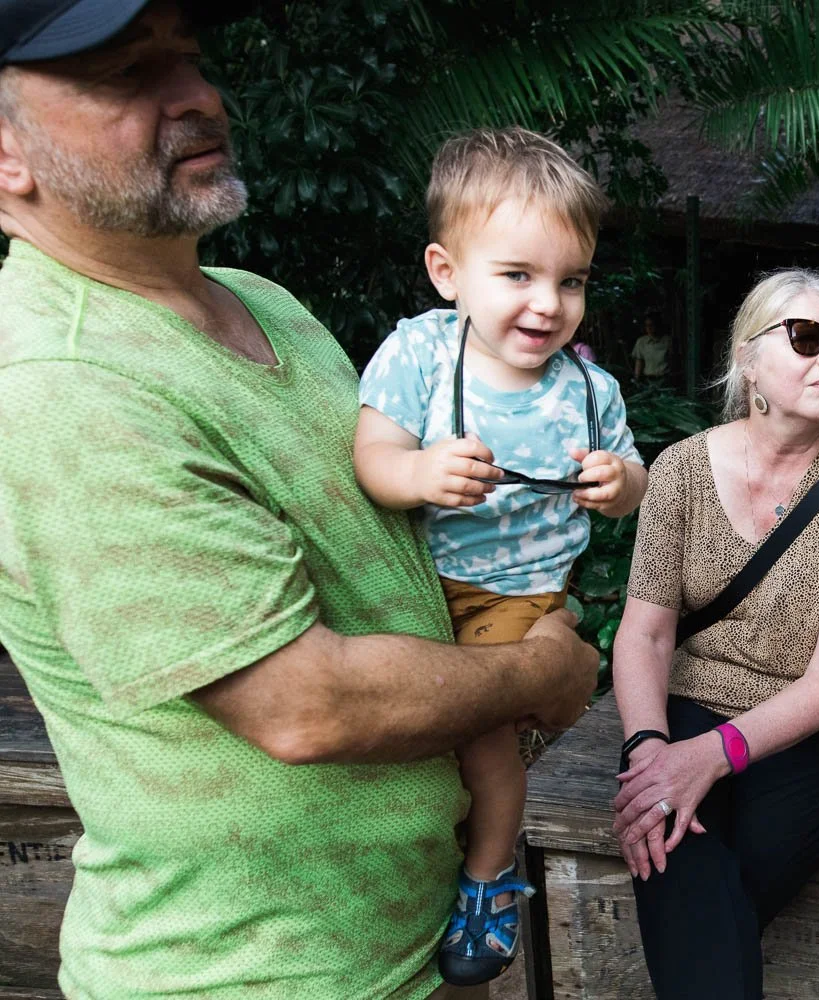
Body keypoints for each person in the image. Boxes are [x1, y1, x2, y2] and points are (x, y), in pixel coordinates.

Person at [0, 5, 598, 998]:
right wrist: (540, 671)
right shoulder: (62, 382)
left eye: (188, 56)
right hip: (246, 972)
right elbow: (304, 705)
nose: (194, 96)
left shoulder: (262, 302)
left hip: (407, 939)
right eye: (125, 74)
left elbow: (392, 562)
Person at [353, 126, 647, 987]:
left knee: (481, 743)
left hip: (516, 599)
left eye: (571, 281)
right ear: (449, 273)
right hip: (410, 582)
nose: (548, 304)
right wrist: (418, 471)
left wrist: (615, 482)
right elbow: (373, 458)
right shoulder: (420, 353)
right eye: (517, 275)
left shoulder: (591, 390)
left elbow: (639, 479)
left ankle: (488, 879)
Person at [609, 270, 819, 998]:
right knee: (673, 834)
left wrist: (711, 758)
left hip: (815, 728)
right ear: (748, 359)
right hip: (691, 701)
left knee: (738, 861)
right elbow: (644, 634)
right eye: (807, 337)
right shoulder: (679, 471)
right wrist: (651, 753)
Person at [631, 312, 670, 381]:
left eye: (651, 325)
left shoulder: (667, 341)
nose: (649, 328)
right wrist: (636, 379)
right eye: (647, 325)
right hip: (648, 380)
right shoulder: (641, 342)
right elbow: (639, 361)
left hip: (665, 379)